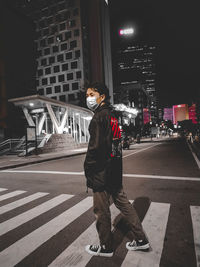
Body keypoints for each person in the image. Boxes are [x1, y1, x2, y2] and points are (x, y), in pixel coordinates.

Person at [84, 82, 150, 257]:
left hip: (101, 171)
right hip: (114, 168)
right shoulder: (112, 115)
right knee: (124, 204)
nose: (88, 98)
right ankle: (141, 240)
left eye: (91, 94)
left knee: (101, 210)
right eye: (87, 95)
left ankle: (106, 247)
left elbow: (95, 148)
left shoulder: (99, 117)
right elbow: (115, 144)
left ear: (102, 96)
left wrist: (88, 169)